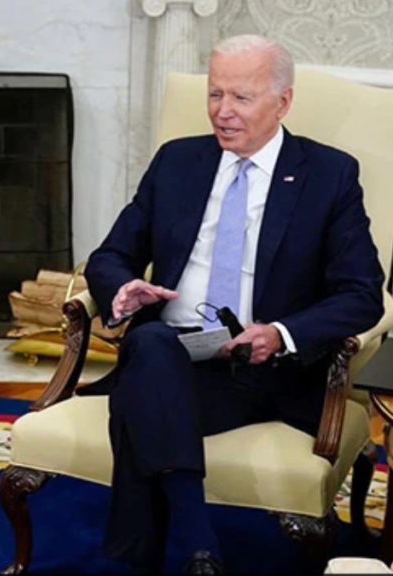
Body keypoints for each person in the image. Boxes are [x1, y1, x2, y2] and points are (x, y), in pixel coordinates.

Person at [82, 35, 385, 574]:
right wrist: (123, 288)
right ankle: (200, 547)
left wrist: (281, 334)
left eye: (241, 97)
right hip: (172, 350)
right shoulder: (178, 161)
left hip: (264, 368)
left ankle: (154, 553)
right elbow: (110, 256)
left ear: (283, 102)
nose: (223, 111)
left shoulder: (328, 174)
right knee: (151, 345)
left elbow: (362, 293)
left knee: (141, 392)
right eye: (215, 94)